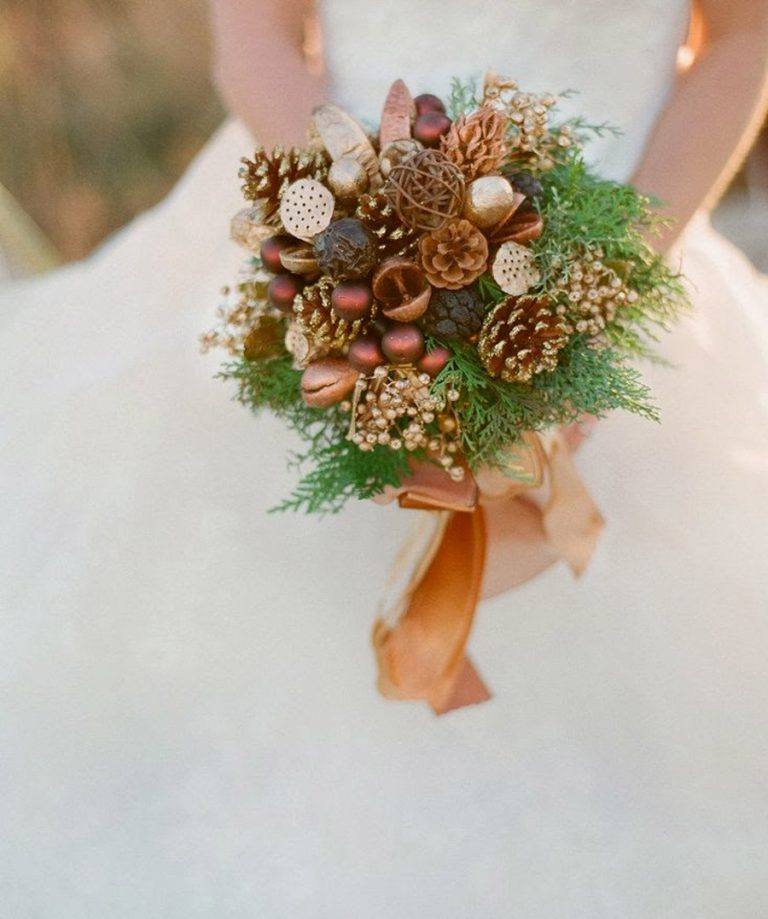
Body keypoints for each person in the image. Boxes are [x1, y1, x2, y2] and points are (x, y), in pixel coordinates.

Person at [2, 1, 768, 915]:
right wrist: (367, 259)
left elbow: (744, 35)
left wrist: (605, 292)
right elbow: (254, 37)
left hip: (633, 233)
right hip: (328, 229)